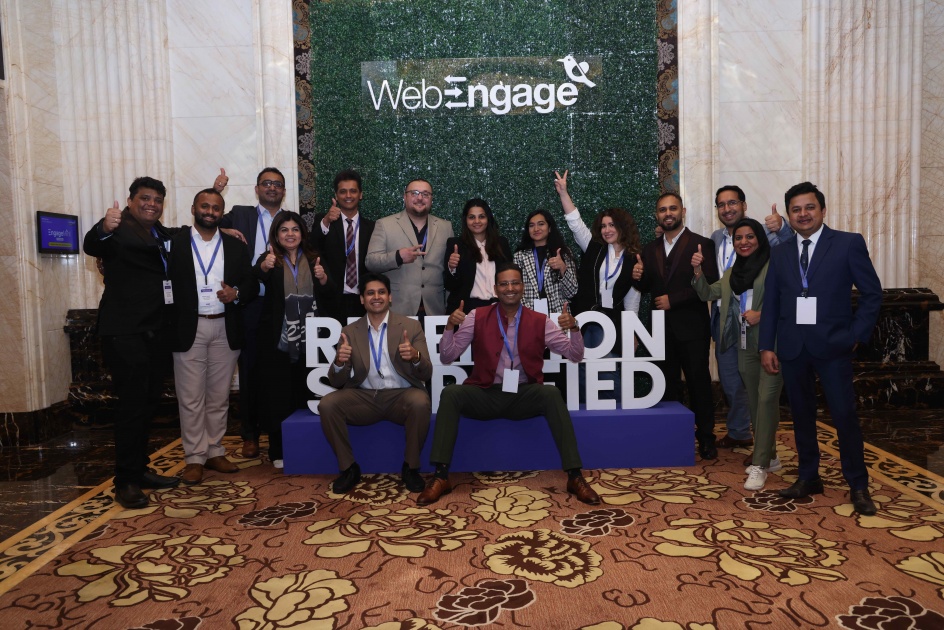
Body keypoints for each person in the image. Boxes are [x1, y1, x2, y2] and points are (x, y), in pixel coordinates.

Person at [417, 262, 601, 507]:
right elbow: (447, 356)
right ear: (495, 289)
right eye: (504, 284)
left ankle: (575, 476)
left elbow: (575, 355)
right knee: (451, 393)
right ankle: (441, 477)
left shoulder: (541, 321)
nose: (510, 288)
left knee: (551, 393)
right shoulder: (477, 316)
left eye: (515, 283)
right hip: (485, 393)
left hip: (523, 394)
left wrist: (575, 328)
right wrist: (450, 326)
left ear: (523, 287)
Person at [759, 182, 882, 516]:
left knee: (844, 416)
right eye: (796, 209)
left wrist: (855, 334)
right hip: (793, 347)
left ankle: (858, 484)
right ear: (789, 215)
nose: (803, 214)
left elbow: (872, 293)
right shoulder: (780, 252)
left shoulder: (847, 243)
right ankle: (809, 477)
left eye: (809, 207)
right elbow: (772, 303)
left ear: (822, 210)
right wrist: (766, 345)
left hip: (834, 345)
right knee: (801, 416)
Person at [83, 176, 182, 509]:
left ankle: (139, 469)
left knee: (148, 404)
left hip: (155, 332)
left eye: (157, 200)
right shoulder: (117, 228)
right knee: (130, 407)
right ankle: (125, 481)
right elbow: (92, 244)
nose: (151, 204)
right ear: (130, 201)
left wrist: (223, 230)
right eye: (145, 198)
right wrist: (103, 227)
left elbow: (184, 236)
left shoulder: (159, 233)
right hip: (126, 333)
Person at [167, 189, 258, 485]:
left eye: (216, 208)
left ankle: (215, 451)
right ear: (193, 208)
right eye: (204, 206)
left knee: (219, 397)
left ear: (222, 212)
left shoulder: (234, 245)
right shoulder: (175, 242)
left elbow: (250, 282)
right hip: (188, 328)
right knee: (191, 397)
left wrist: (237, 293)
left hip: (224, 327)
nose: (210, 212)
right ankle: (195, 456)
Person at [319, 272, 432, 494]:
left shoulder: (410, 327)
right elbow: (336, 380)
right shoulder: (349, 331)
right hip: (365, 398)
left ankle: (411, 468)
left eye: (381, 292)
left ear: (390, 297)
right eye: (370, 293)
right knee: (328, 404)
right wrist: (340, 362)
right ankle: (349, 468)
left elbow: (426, 372)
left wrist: (415, 356)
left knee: (420, 401)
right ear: (362, 299)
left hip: (401, 396)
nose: (376, 297)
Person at [692, 218, 783, 490]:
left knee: (766, 400)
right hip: (744, 342)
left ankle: (760, 463)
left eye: (749, 237)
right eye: (739, 238)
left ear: (760, 239)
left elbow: (788, 300)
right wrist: (697, 272)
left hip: (771, 340)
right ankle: (771, 455)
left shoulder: (774, 265)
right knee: (755, 402)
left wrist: (762, 314)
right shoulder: (733, 272)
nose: (744, 242)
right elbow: (708, 293)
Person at [632, 192, 719, 460]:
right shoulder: (650, 249)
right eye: (662, 210)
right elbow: (647, 286)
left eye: (672, 208)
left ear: (683, 211)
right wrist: (638, 277)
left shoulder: (702, 244)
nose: (668, 213)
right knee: (666, 385)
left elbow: (711, 285)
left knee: (698, 384)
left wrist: (675, 300)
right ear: (657, 215)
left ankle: (706, 438)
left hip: (692, 328)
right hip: (660, 330)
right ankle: (671, 436)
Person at [709, 185, 794, 450]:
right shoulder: (715, 237)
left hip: (756, 318)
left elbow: (792, 249)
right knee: (731, 382)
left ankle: (763, 448)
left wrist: (782, 227)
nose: (727, 209)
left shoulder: (763, 234)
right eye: (721, 205)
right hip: (725, 317)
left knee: (759, 387)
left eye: (732, 202)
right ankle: (739, 432)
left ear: (744, 205)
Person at [214, 167, 288, 460]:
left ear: (284, 191)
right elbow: (205, 223)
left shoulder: (290, 221)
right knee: (249, 370)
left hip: (281, 304)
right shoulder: (240, 214)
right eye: (266, 183)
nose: (272, 188)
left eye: (277, 184)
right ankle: (250, 435)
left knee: (279, 370)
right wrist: (223, 225)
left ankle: (279, 434)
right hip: (249, 302)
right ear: (257, 189)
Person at [253, 211, 331, 468]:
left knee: (306, 393)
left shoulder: (315, 258)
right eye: (284, 229)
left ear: (302, 233)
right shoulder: (269, 258)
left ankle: (311, 447)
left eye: (295, 229)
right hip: (279, 340)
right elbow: (256, 276)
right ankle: (278, 450)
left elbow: (329, 291)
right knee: (278, 396)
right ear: (276, 235)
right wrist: (264, 267)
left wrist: (322, 278)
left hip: (312, 340)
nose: (290, 234)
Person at [555, 171, 642, 341]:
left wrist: (633, 332)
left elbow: (632, 301)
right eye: (603, 226)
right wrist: (563, 193)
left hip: (612, 324)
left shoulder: (634, 259)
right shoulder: (594, 247)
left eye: (611, 225)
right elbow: (576, 224)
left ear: (623, 227)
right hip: (583, 320)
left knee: (609, 359)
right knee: (581, 358)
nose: (606, 230)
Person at [365, 179, 454, 316]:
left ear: (431, 199)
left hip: (435, 310)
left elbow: (450, 273)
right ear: (405, 196)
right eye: (414, 193)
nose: (420, 198)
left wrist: (450, 305)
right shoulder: (384, 225)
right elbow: (371, 262)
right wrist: (398, 257)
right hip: (398, 309)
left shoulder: (445, 227)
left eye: (425, 194)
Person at [310, 169, 376, 325]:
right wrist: (326, 220)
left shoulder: (372, 227)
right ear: (336, 195)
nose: (348, 196)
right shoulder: (324, 221)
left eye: (353, 191)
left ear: (360, 194)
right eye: (343, 191)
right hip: (332, 299)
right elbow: (312, 245)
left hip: (363, 300)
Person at [443, 198, 512, 313]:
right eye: (471, 217)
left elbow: (509, 277)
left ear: (488, 219)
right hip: (466, 309)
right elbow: (449, 285)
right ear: (465, 220)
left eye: (481, 216)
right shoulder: (455, 245)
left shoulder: (501, 244)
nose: (477, 221)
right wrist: (452, 268)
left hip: (499, 307)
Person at [513, 209, 578, 315]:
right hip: (529, 314)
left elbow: (572, 292)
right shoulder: (519, 256)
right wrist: (529, 313)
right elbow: (516, 290)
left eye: (541, 224)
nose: (536, 229)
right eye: (531, 225)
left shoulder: (562, 253)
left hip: (558, 315)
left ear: (550, 228)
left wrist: (563, 269)